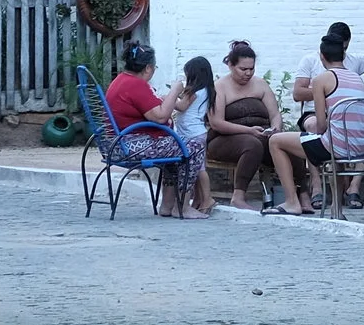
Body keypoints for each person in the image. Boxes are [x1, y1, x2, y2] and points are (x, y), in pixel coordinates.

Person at [207, 41, 312, 216]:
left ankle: (301, 196)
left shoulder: (260, 84)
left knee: (290, 142)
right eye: (243, 69)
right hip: (225, 138)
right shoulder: (220, 87)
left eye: (251, 69)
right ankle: (238, 196)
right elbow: (217, 123)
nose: (248, 73)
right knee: (252, 143)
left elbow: (275, 114)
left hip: (262, 134)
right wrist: (248, 130)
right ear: (231, 65)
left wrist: (276, 129)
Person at [102, 44, 183, 217]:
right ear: (147, 68)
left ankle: (168, 206)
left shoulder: (121, 80)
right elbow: (160, 117)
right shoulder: (136, 85)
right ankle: (184, 206)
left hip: (114, 145)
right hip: (129, 147)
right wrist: (175, 90)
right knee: (191, 147)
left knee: (174, 147)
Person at [304, 27, 364, 208]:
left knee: (277, 142)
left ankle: (295, 200)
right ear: (344, 55)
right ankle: (336, 210)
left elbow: (321, 127)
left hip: (337, 148)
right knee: (331, 146)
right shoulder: (356, 77)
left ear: (321, 56)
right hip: (361, 150)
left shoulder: (321, 79)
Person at [167, 57, 219, 217]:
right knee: (198, 167)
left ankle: (208, 198)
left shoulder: (195, 92)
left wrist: (169, 97)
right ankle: (200, 199)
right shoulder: (207, 91)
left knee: (199, 169)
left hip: (191, 134)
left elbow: (181, 107)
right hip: (198, 133)